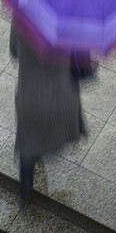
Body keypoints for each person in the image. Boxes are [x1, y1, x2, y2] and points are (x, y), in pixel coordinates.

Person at [9, 19, 86, 200]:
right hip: (61, 100)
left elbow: (14, 51)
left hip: (29, 101)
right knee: (52, 133)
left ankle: (25, 195)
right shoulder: (72, 26)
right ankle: (44, 149)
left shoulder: (22, 19)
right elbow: (82, 63)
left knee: (27, 146)